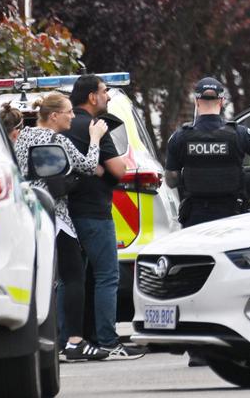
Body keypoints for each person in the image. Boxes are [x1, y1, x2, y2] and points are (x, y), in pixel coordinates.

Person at [14, 92, 110, 361]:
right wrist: (95, 138)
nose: (72, 116)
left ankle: (40, 340)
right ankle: (76, 342)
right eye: (68, 112)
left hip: (28, 217)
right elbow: (89, 166)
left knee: (38, 281)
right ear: (54, 116)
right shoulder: (59, 141)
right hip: (56, 217)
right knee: (73, 277)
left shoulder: (22, 138)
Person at [63, 74, 145, 359]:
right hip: (95, 213)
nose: (108, 97)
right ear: (92, 97)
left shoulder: (62, 125)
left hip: (64, 215)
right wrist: (104, 169)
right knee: (107, 276)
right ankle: (108, 341)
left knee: (72, 278)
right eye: (104, 91)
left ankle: (71, 340)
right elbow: (119, 170)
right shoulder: (95, 127)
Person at [165, 77, 250, 227]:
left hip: (195, 220)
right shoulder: (239, 134)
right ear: (221, 102)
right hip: (231, 218)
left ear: (196, 101)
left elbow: (171, 180)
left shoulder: (179, 137)